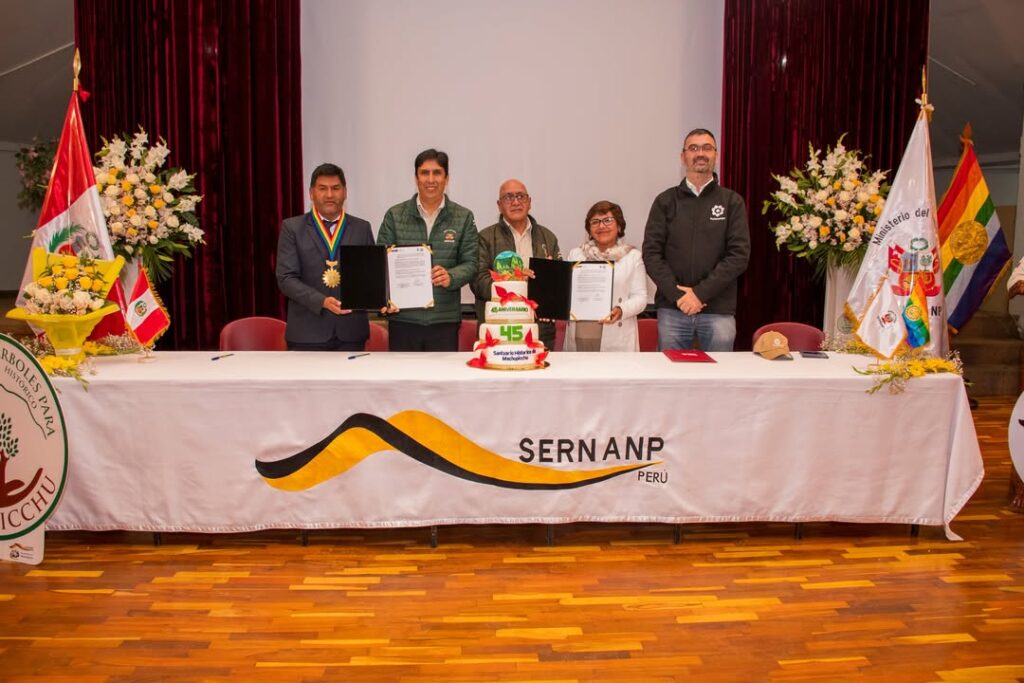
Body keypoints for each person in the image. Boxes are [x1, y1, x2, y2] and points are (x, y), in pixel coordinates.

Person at [642, 128, 750, 351]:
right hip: (673, 310)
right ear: (683, 157)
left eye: (706, 148)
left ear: (716, 155)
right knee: (671, 379)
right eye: (693, 148)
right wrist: (679, 295)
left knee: (719, 379)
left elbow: (738, 256)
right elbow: (652, 254)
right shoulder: (665, 201)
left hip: (718, 311)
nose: (700, 153)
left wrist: (700, 294)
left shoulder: (732, 202)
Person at [377, 149, 479, 351]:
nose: (430, 179)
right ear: (416, 178)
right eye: (424, 173)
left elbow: (471, 262)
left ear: (446, 178)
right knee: (403, 381)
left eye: (437, 173)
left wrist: (451, 276)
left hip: (444, 320)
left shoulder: (463, 216)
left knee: (441, 382)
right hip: (403, 319)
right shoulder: (395, 215)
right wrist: (385, 298)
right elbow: (380, 263)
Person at [276, 163, 374, 351]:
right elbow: (286, 279)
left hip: (351, 334)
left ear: (345, 192)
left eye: (335, 188)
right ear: (311, 193)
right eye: (323, 188)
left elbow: (370, 275)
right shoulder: (292, 229)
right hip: (306, 334)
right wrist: (321, 301)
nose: (329, 195)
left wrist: (382, 298)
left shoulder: (362, 228)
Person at [472, 179, 561, 349]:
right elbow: (478, 281)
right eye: (508, 197)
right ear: (499, 205)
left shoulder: (548, 237)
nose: (515, 202)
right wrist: (515, 282)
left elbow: (557, 284)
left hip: (539, 331)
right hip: (499, 329)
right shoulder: (485, 238)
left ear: (529, 202)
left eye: (521, 196)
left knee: (542, 375)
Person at [563, 201, 649, 352]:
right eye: (595, 222)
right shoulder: (575, 254)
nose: (601, 226)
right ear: (589, 229)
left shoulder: (632, 257)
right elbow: (565, 291)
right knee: (579, 374)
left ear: (619, 226)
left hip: (616, 331)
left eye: (608, 220)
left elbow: (641, 297)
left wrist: (621, 309)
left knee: (613, 374)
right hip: (580, 333)